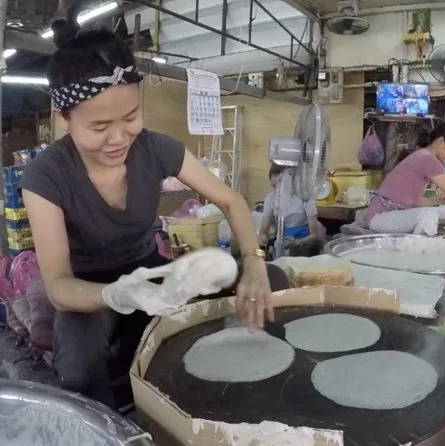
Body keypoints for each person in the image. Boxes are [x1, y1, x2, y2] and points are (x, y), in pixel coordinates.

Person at [20, 18, 288, 411]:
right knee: (78, 369)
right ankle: (119, 426)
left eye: (130, 117)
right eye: (99, 127)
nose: (119, 138)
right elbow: (59, 285)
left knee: (272, 279)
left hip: (151, 272)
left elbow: (231, 201)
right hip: (87, 288)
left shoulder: (155, 148)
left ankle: (250, 381)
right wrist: (114, 294)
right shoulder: (46, 175)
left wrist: (254, 260)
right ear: (64, 117)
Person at [259, 164, 322, 257]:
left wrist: (298, 241)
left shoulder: (305, 197)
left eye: (280, 187)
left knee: (303, 251)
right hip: (284, 238)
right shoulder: (270, 198)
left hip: (304, 240)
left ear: (292, 181)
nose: (278, 191)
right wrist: (263, 237)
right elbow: (264, 229)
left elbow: (314, 235)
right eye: (274, 186)